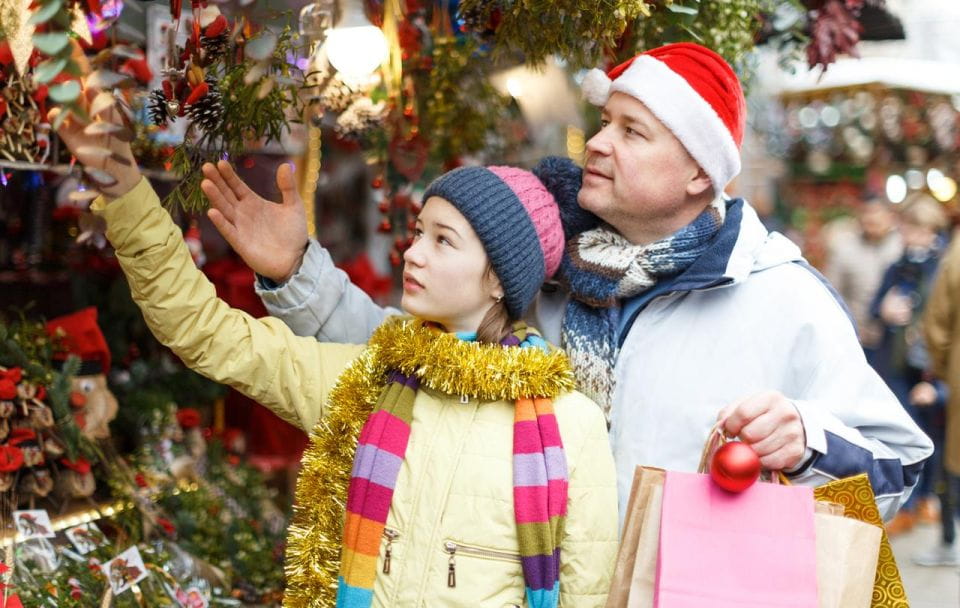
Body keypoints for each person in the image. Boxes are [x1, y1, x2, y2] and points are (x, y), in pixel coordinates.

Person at [204, 42, 932, 522]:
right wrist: (298, 271)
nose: (600, 144)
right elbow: (402, 360)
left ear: (699, 173)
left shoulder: (781, 299)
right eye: (604, 121)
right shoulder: (541, 273)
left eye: (633, 131)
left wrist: (807, 438)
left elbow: (896, 473)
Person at [52, 97, 618, 607]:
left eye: (443, 240)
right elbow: (202, 330)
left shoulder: (571, 427)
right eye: (418, 232)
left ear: (500, 280)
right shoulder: (363, 382)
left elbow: (586, 597)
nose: (413, 255)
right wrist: (124, 190)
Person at [867, 193, 949, 536]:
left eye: (914, 230)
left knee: (933, 433)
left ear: (930, 230)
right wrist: (884, 311)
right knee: (903, 429)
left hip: (931, 365)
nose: (908, 236)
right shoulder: (897, 266)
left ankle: (929, 498)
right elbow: (874, 307)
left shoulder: (943, 267)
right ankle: (909, 504)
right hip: (896, 362)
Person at [920, 223, 960, 566]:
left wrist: (948, 371)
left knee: (952, 459)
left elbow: (936, 325)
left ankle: (951, 540)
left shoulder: (955, 256)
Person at [824, 198, 903, 357]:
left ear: (890, 218)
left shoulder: (902, 247)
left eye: (877, 215)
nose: (871, 220)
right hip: (858, 340)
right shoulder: (845, 249)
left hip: (896, 342)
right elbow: (830, 294)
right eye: (867, 215)